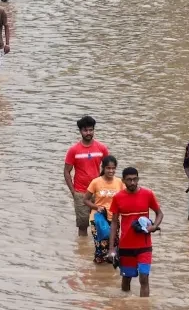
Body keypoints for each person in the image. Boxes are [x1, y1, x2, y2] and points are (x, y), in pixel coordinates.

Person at [108, 167, 163, 297]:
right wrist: (111, 249)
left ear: (138, 179)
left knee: (144, 278)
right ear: (123, 181)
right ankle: (124, 303)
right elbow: (114, 223)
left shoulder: (148, 194)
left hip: (144, 246)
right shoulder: (118, 198)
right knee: (126, 279)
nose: (132, 182)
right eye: (129, 180)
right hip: (126, 246)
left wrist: (154, 226)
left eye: (135, 179)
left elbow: (159, 213)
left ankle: (143, 306)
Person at [63, 116, 110, 237]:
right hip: (80, 192)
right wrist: (73, 192)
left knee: (101, 224)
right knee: (83, 226)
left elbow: (108, 169)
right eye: (85, 130)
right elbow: (67, 171)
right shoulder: (73, 150)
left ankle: (98, 250)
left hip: (99, 193)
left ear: (94, 130)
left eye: (91, 130)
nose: (88, 133)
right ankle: (82, 252)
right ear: (80, 131)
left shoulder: (102, 148)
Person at [84, 155, 124, 264]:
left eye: (113, 168)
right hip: (97, 219)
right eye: (108, 168)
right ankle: (98, 275)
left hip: (114, 218)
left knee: (114, 248)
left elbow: (125, 198)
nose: (111, 171)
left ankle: (109, 275)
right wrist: (97, 207)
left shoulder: (119, 182)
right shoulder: (96, 182)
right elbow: (86, 200)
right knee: (100, 248)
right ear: (103, 168)